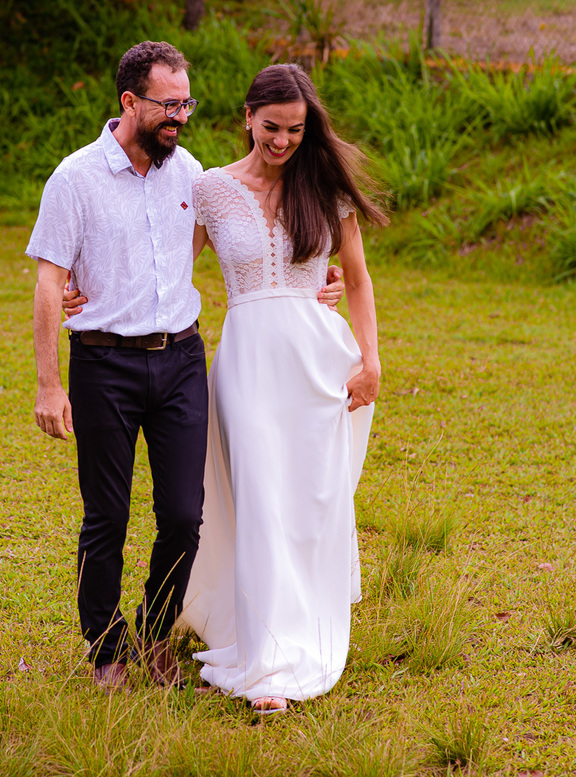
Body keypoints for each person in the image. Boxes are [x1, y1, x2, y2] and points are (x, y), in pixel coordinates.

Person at [28, 42, 343, 693]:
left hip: (178, 361)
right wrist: (50, 379)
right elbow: (48, 277)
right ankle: (107, 648)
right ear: (129, 102)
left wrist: (317, 279)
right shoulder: (75, 177)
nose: (180, 116)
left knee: (182, 513)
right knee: (107, 515)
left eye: (186, 103)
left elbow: (251, 237)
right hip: (102, 365)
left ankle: (155, 627)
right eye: (168, 105)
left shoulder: (190, 175)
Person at [175, 63, 386, 714]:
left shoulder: (323, 188)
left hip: (317, 360)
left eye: (296, 129)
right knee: (259, 495)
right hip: (246, 360)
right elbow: (168, 265)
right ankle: (267, 662)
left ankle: (301, 628)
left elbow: (355, 279)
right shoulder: (211, 189)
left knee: (307, 502)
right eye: (272, 127)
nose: (284, 140)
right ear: (246, 118)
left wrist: (372, 360)